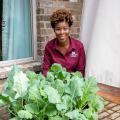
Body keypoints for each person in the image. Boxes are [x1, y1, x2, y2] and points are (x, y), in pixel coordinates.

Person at [42, 9, 86, 76]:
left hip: (73, 83)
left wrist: (69, 79)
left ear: (69, 29)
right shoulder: (49, 46)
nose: (62, 32)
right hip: (55, 83)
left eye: (65, 29)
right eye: (58, 29)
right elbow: (45, 70)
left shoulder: (79, 46)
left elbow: (80, 71)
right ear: (54, 30)